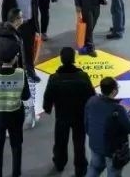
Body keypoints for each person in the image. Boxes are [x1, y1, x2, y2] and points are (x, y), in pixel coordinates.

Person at [44, 47, 95, 177]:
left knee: (60, 142)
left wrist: (47, 108)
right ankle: (80, 169)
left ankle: (59, 163)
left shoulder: (54, 78)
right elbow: (91, 95)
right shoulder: (83, 76)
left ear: (61, 59)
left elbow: (48, 96)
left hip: (62, 116)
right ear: (74, 59)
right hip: (79, 116)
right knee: (79, 143)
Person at [0, 44, 31, 177]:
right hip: (15, 114)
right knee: (16, 145)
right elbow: (26, 96)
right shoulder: (21, 74)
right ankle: (16, 173)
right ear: (14, 58)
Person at [84, 77, 130, 177]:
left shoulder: (91, 101)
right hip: (112, 149)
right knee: (113, 173)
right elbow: (129, 127)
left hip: (95, 144)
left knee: (94, 168)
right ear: (114, 91)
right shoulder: (117, 109)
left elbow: (86, 123)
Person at [1, 0, 40, 81]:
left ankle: (30, 70)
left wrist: (37, 26)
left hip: (29, 23)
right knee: (15, 48)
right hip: (15, 25)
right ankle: (18, 71)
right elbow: (4, 8)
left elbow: (35, 6)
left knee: (29, 48)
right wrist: (6, 26)